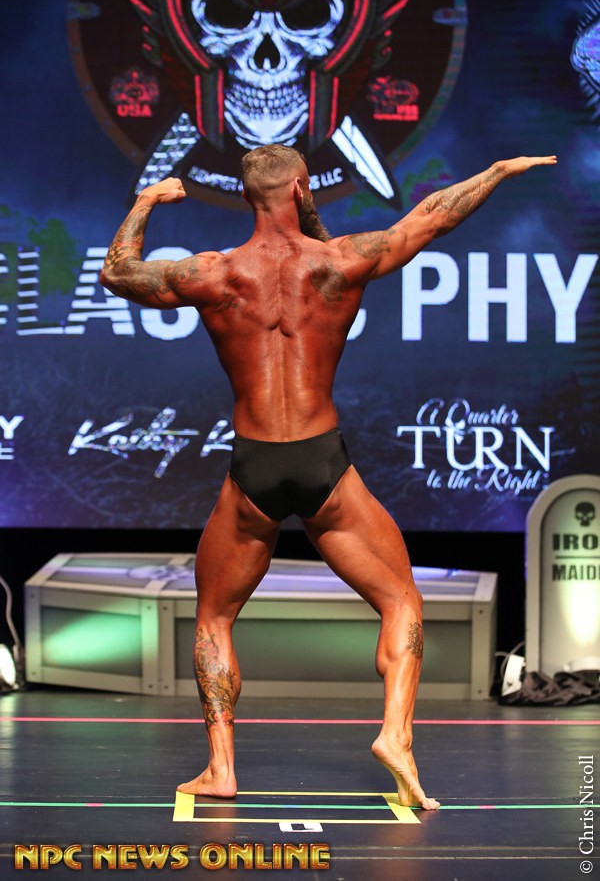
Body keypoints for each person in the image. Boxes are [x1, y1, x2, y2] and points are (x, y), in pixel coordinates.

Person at [101, 145, 556, 810]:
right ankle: (396, 736)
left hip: (255, 466)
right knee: (401, 601)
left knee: (215, 615)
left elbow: (118, 272)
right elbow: (432, 216)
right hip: (322, 462)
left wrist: (145, 201)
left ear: (245, 195)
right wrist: (496, 171)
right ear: (302, 188)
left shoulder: (214, 273)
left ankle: (222, 769)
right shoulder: (341, 260)